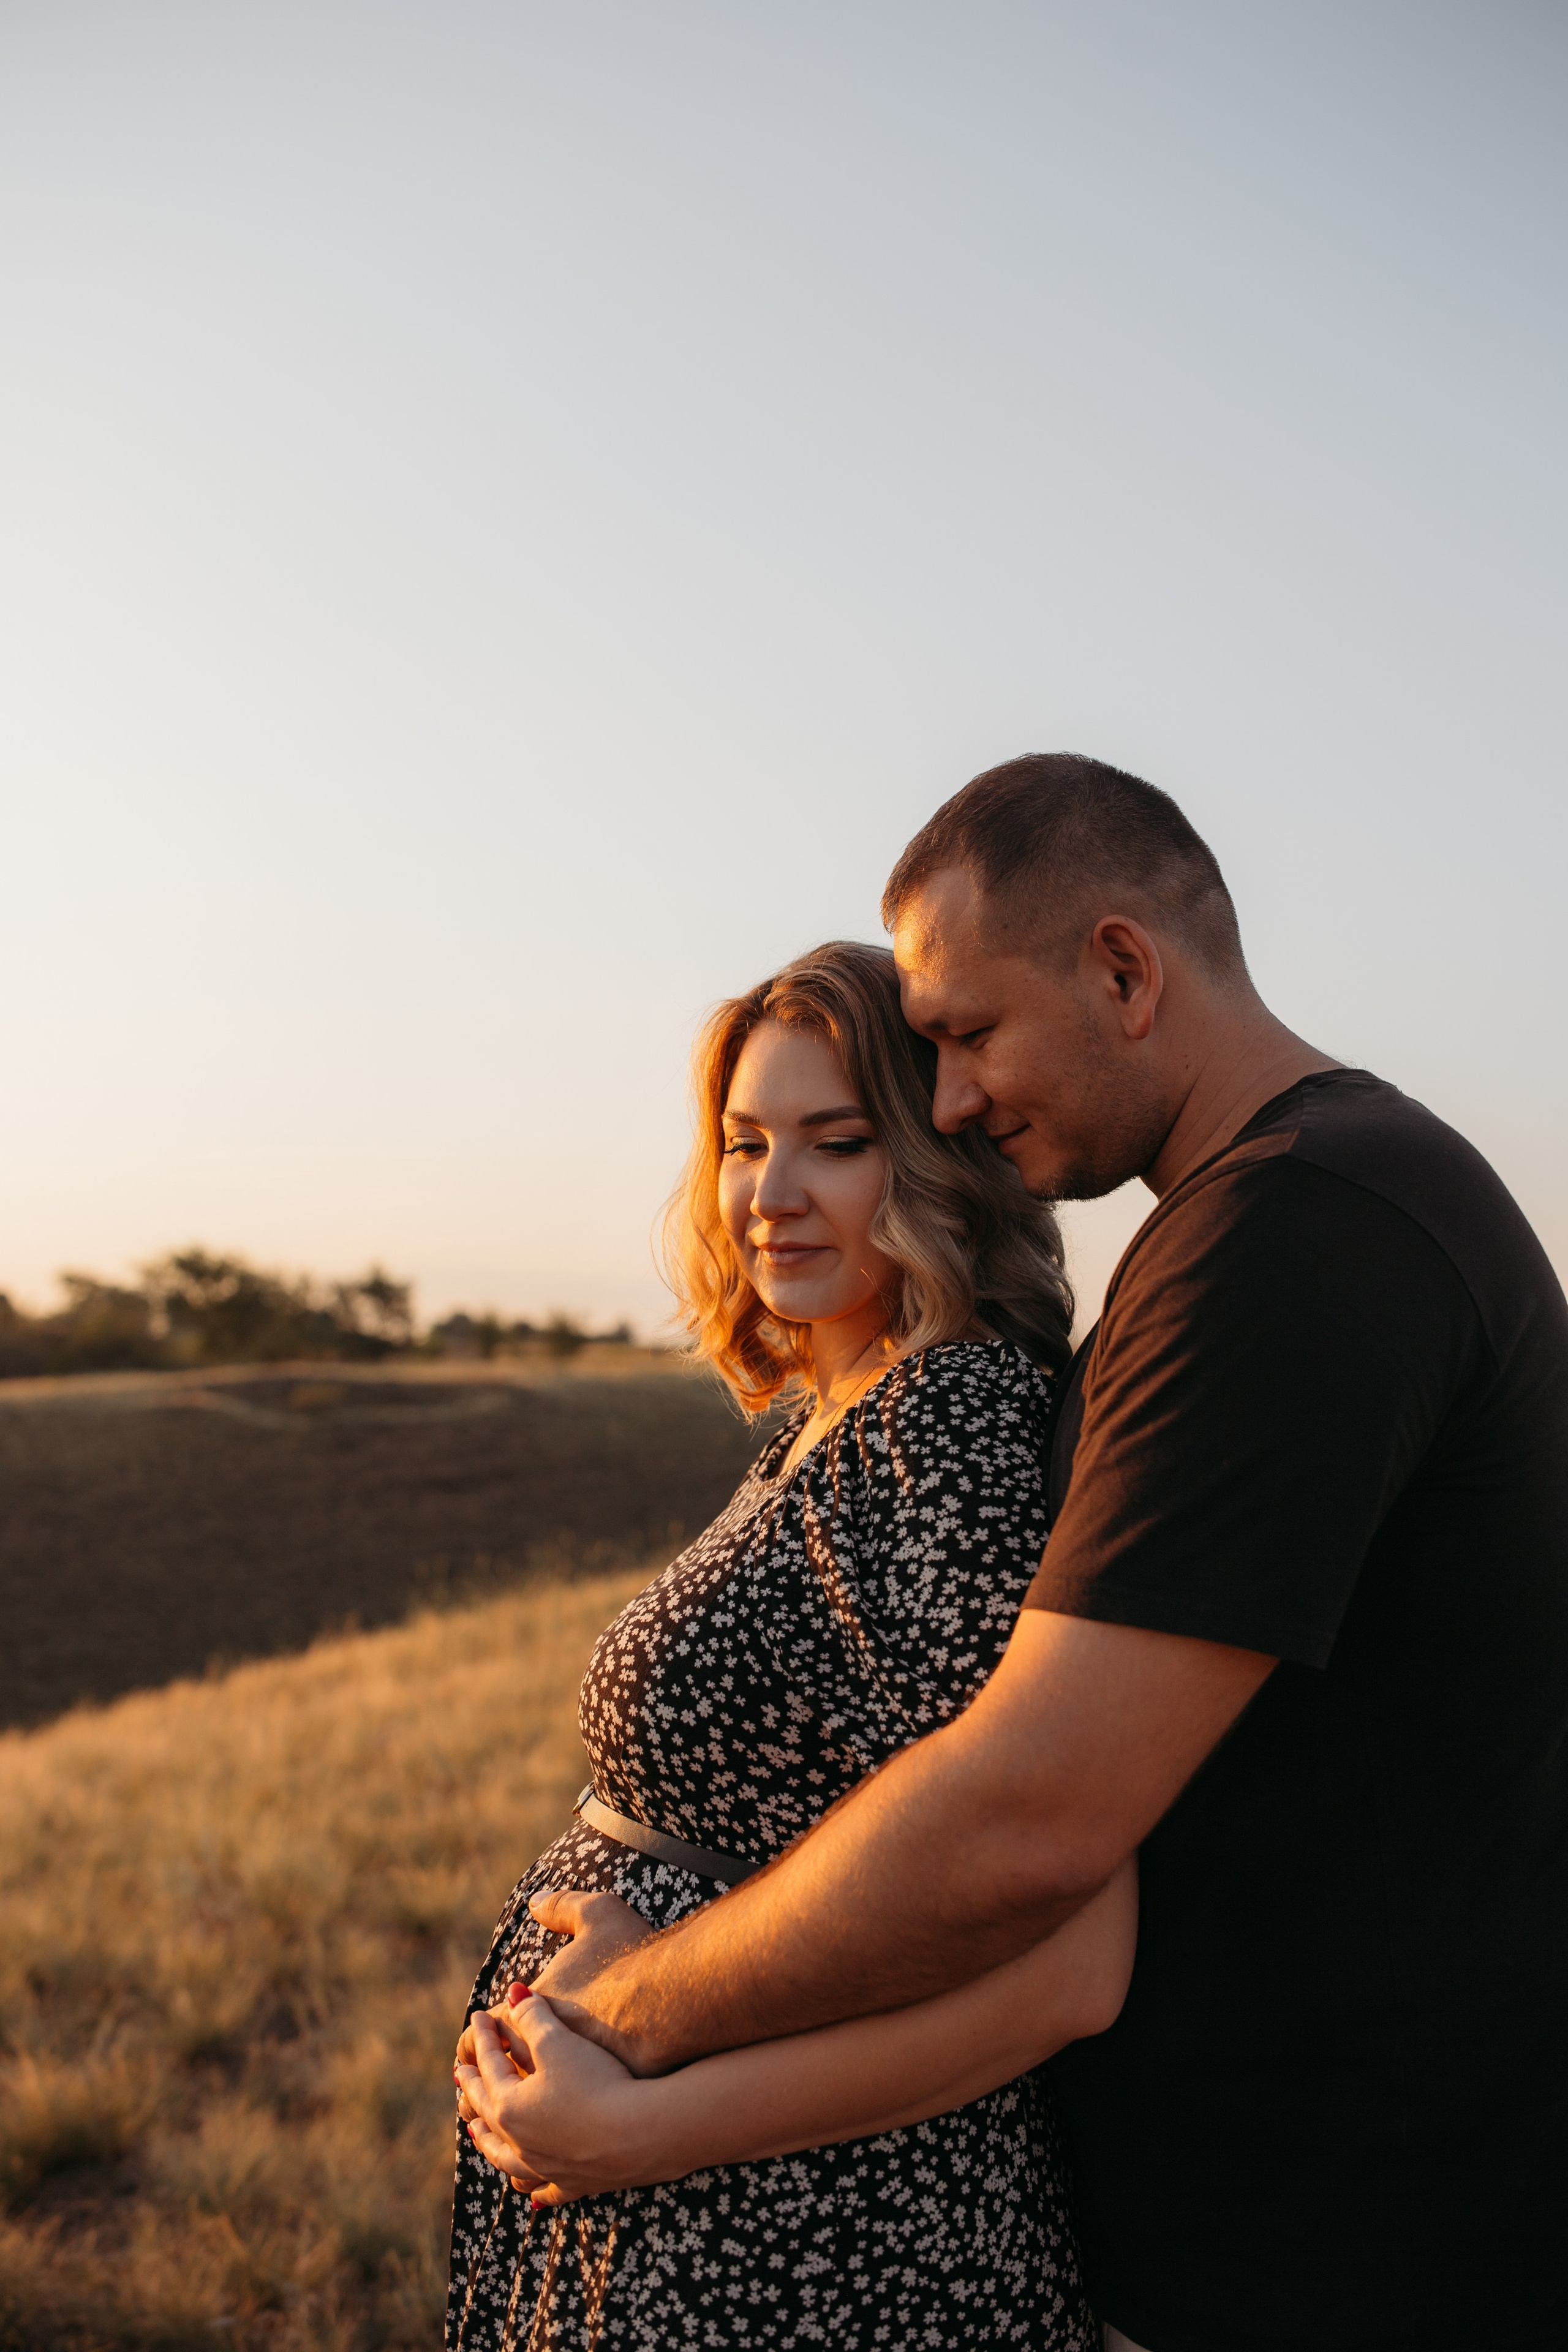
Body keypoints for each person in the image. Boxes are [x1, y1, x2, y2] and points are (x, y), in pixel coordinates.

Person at [465, 756, 1568, 2352]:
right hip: (1286, 2215)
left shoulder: (1299, 1237)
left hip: (1341, 2246)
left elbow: (1034, 1818)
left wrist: (631, 2017)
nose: (962, 1098)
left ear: (1125, 968)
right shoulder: (1272, 1221)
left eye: (970, 1036)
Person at [447, 937, 1137, 2351]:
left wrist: (649, 2125)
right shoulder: (822, 1422)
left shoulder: (951, 1426)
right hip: (704, 2198)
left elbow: (1069, 1967)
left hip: (815, 2232)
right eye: (743, 1143)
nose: (769, 1195)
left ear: (939, 1158)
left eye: (835, 1142)